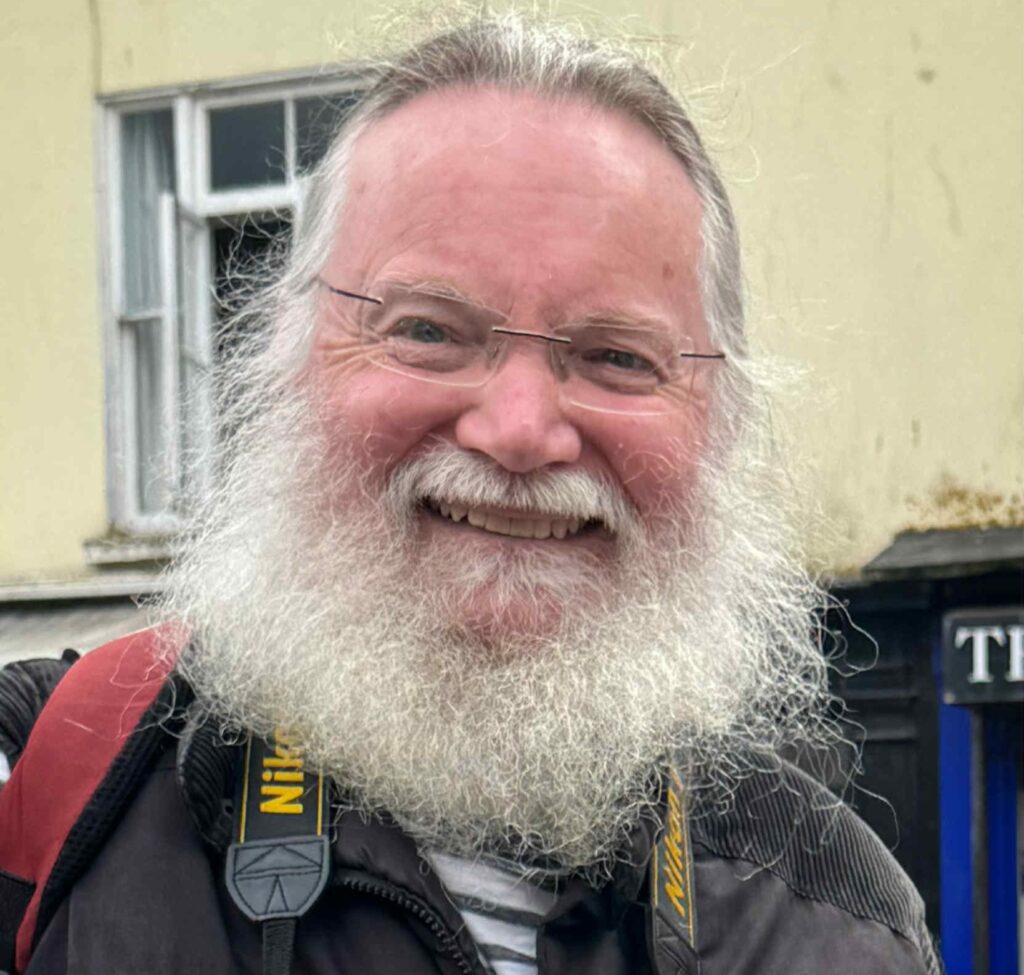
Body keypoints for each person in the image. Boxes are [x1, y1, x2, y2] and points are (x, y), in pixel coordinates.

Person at [0, 14, 940, 975]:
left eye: (617, 357)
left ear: (723, 418)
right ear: (286, 360)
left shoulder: (839, 921)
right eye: (427, 332)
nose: (522, 429)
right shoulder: (52, 779)